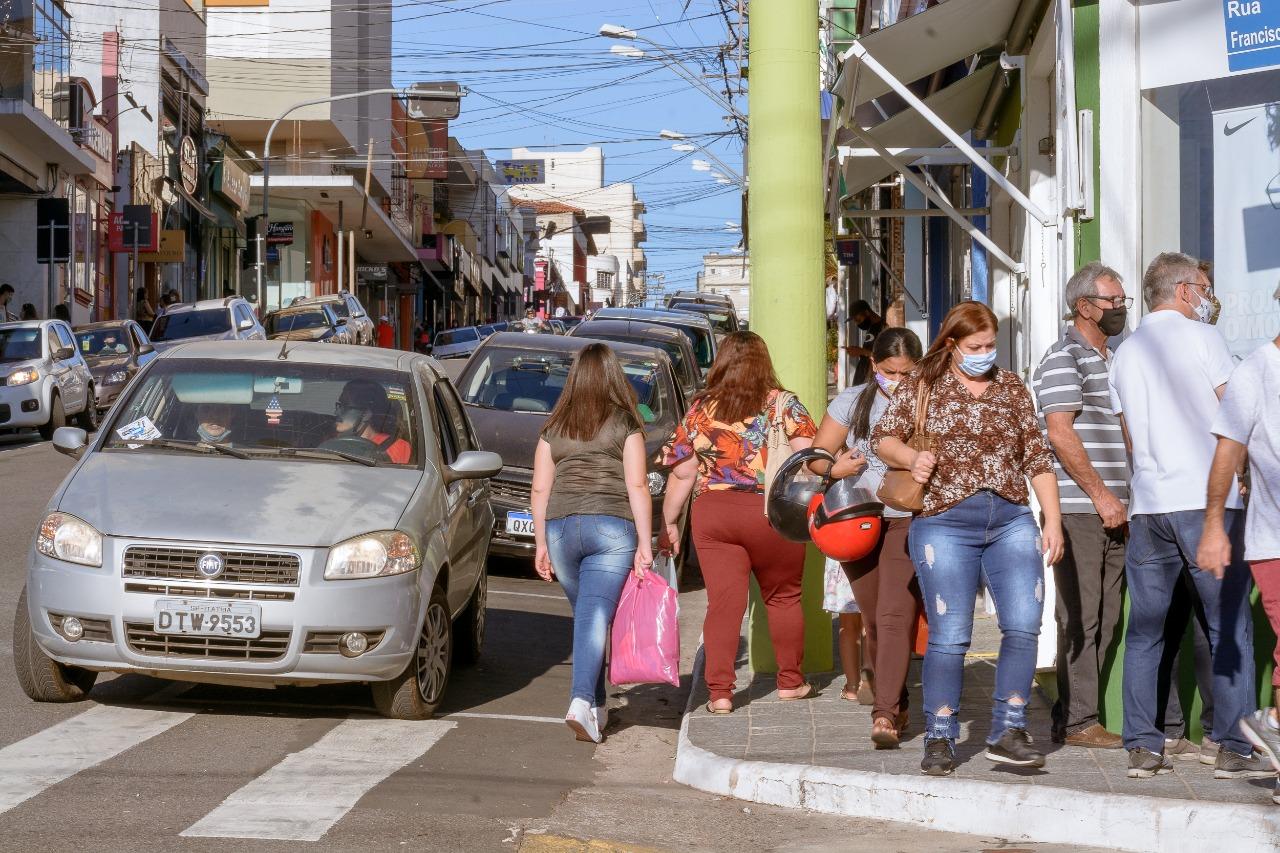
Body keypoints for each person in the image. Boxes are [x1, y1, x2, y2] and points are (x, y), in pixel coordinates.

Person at [873, 301, 1062, 776]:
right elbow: (884, 437)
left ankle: (1010, 729)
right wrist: (910, 458)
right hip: (944, 520)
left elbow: (1037, 457)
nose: (984, 353)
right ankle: (940, 737)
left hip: (1011, 518)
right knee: (951, 634)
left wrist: (1052, 520)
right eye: (975, 346)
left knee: (1023, 623)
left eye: (991, 345)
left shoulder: (1012, 387)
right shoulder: (923, 385)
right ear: (952, 343)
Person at [1108, 251, 1267, 780]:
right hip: (1205, 501)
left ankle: (1142, 746)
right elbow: (1237, 417)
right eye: (1203, 286)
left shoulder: (1126, 352)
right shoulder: (1205, 340)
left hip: (1150, 504)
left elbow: (1131, 435)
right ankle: (1234, 745)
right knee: (1228, 628)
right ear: (1182, 291)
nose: (1208, 295)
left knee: (1146, 631)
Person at [660, 332, 818, 714]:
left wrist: (669, 523)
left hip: (714, 514)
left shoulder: (701, 408)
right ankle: (790, 683)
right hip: (771, 513)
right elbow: (810, 460)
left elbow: (682, 473)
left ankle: (720, 693)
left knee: (724, 604)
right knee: (784, 597)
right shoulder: (785, 405)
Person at [530, 343, 654, 743]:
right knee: (594, 618)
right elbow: (637, 484)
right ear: (614, 377)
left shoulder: (554, 427)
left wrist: (540, 543)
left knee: (589, 617)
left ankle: (597, 707)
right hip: (612, 528)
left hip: (561, 529)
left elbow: (538, 488)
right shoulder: (625, 424)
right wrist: (645, 543)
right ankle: (581, 700)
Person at [1031, 262, 1131, 750]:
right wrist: (1101, 494)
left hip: (1118, 509)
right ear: (1084, 306)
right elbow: (1059, 433)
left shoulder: (1112, 358)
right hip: (1081, 509)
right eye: (1114, 301)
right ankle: (1078, 722)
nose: (1121, 309)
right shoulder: (1063, 358)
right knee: (1080, 615)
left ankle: (1071, 711)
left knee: (1108, 617)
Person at [813, 326, 924, 748]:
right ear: (874, 365)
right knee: (875, 620)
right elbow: (818, 458)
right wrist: (833, 469)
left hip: (907, 517)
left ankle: (883, 715)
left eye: (906, 373)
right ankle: (896, 700)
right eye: (889, 371)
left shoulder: (928, 402)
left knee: (896, 615)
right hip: (857, 520)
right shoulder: (852, 401)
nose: (896, 381)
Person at [1199, 309, 1280, 804]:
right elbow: (1227, 454)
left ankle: (1272, 727)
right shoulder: (1256, 372)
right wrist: (1213, 525)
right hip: (1275, 539)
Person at [820, 557, 868, 705]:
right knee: (870, 625)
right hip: (871, 554)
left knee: (847, 625)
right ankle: (869, 684)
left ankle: (852, 687)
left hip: (842, 552)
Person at [334, 379, 410, 463]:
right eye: (339, 405)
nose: (336, 412)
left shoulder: (397, 447)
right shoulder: (334, 442)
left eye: (345, 406)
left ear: (366, 414)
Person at [843, 299, 887, 385]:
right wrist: (858, 352)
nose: (857, 324)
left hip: (872, 380)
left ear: (867, 312)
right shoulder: (871, 328)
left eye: (858, 320)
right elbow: (870, 352)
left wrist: (862, 351)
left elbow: (885, 357)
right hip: (864, 377)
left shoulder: (884, 328)